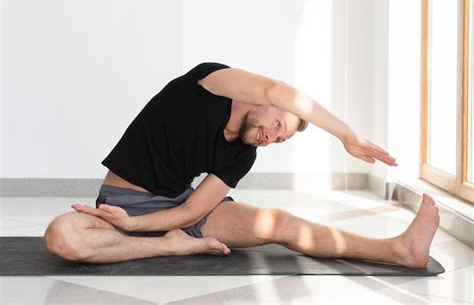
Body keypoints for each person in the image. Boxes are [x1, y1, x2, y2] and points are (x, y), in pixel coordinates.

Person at [44, 63, 440, 267]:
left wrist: (139, 228)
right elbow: (277, 88)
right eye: (279, 125)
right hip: (123, 201)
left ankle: (399, 251)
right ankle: (171, 249)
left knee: (279, 223)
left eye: (281, 140)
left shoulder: (243, 152)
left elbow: (193, 209)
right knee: (63, 236)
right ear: (270, 103)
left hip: (178, 213)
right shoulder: (208, 83)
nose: (274, 137)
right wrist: (346, 135)